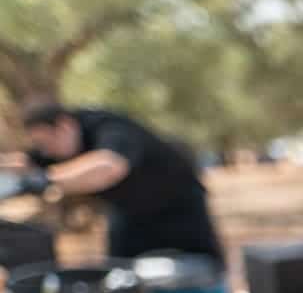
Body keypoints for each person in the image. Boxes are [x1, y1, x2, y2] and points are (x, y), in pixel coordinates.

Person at [2, 102, 223, 263]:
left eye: (45, 142)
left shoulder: (110, 127)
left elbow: (109, 166)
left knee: (204, 270)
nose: (45, 151)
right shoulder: (58, 146)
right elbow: (25, 161)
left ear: (64, 126)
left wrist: (44, 180)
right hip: (130, 213)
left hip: (179, 208)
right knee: (121, 275)